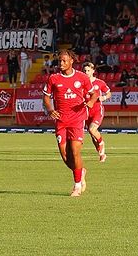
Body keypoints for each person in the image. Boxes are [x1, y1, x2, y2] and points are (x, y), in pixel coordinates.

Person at [42, 48, 89, 197]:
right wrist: (50, 109)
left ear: (71, 61)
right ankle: (81, 171)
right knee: (65, 156)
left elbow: (93, 94)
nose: (61, 63)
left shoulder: (82, 77)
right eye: (59, 61)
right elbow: (46, 97)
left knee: (75, 152)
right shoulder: (53, 78)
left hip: (77, 119)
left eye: (64, 61)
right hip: (61, 121)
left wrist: (91, 102)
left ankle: (76, 186)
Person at [81, 60, 112, 162]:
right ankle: (100, 151)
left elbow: (108, 93)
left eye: (88, 70)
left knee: (92, 130)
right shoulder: (80, 84)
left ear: (93, 71)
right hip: (86, 112)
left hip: (97, 110)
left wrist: (104, 98)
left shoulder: (99, 82)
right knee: (92, 135)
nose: (86, 72)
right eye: (84, 70)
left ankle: (102, 145)